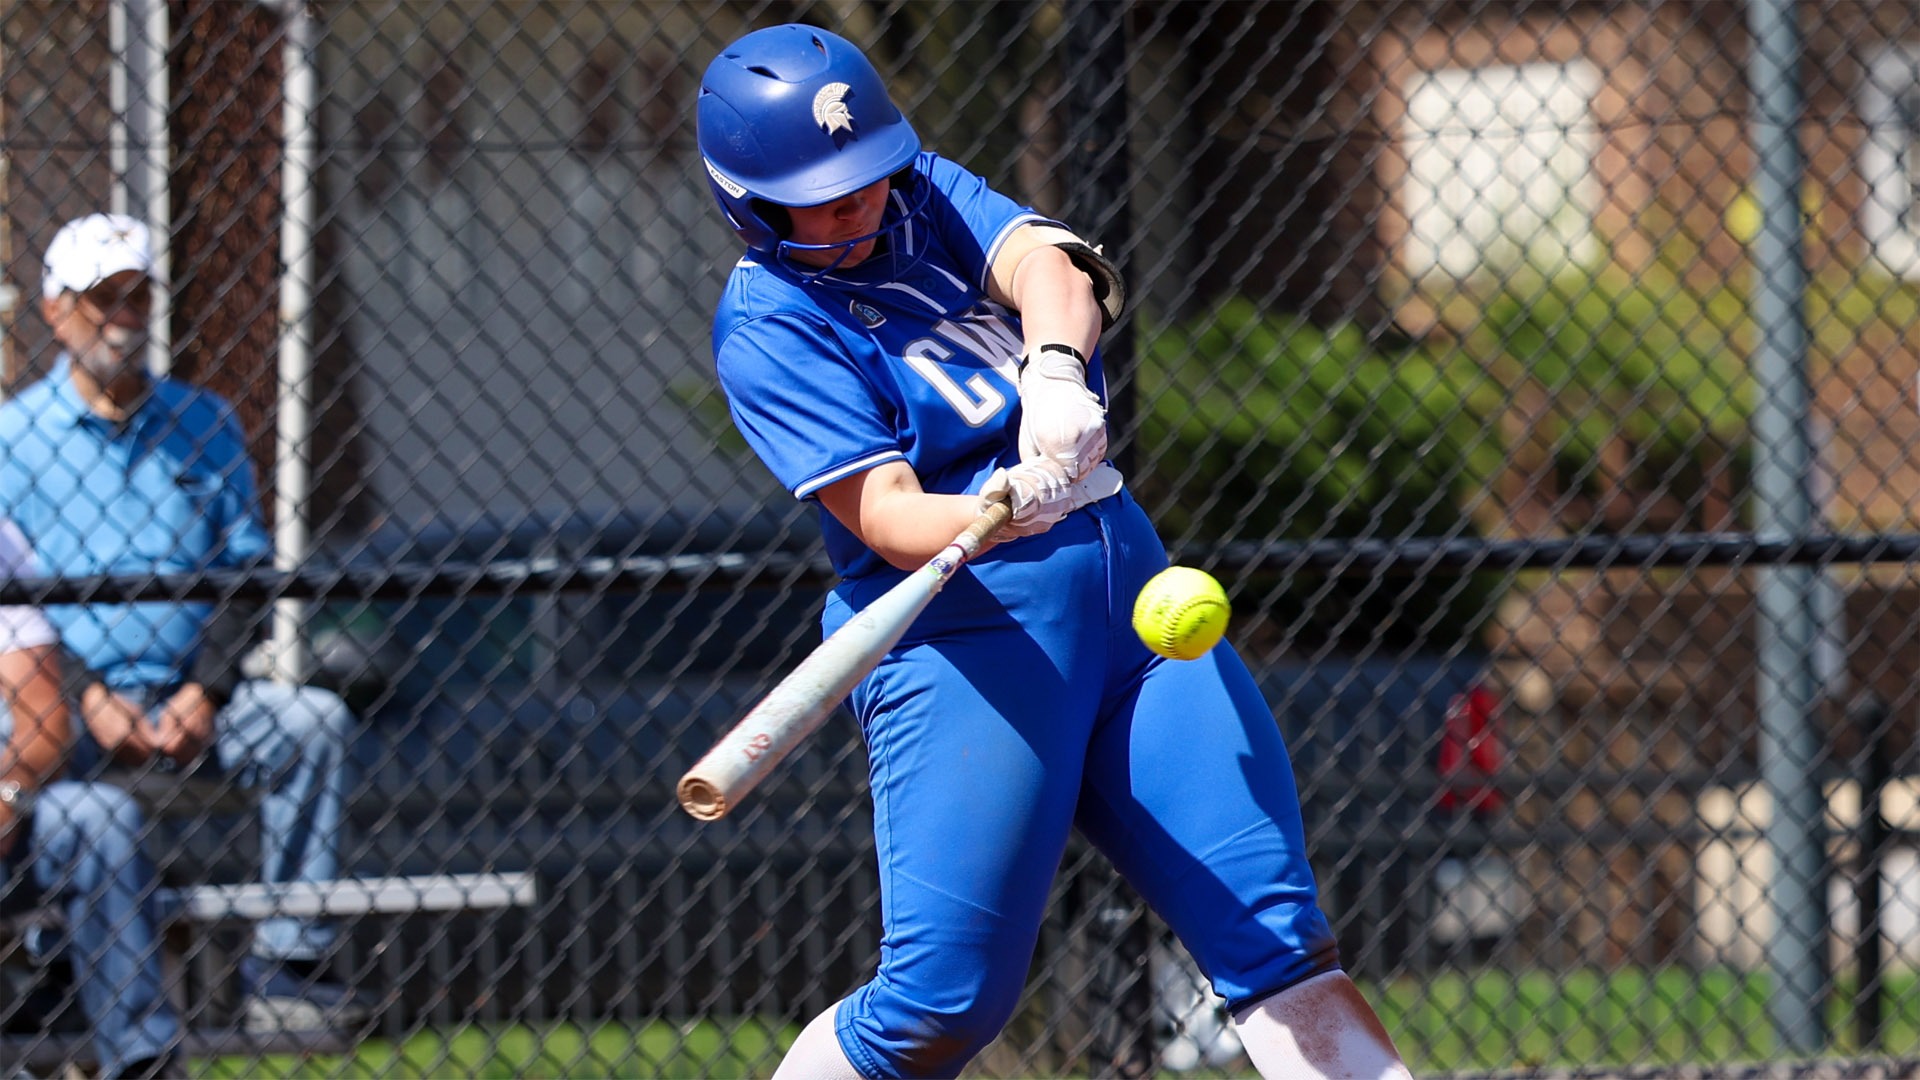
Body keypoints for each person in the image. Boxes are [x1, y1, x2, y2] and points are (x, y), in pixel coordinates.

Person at [698, 24, 1413, 1080]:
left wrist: (1055, 370)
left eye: (869, 175)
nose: (862, 203)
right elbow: (886, 514)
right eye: (826, 196)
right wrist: (996, 504)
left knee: (1276, 935)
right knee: (941, 1004)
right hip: (969, 644)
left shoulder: (920, 196)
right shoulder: (770, 325)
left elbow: (1052, 268)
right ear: (754, 207)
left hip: (1132, 608)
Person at [0, 213, 363, 1034]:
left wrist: (206, 689)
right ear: (55, 311)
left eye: (138, 296)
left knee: (313, 725)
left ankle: (289, 964)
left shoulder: (204, 422)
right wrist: (87, 696)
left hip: (190, 698)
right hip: (67, 705)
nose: (124, 317)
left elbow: (245, 576)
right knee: (24, 749)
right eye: (102, 299)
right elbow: (15, 609)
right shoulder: (13, 441)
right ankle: (55, 965)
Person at [0, 516, 182, 1078]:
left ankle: (140, 1058)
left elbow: (45, 720)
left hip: (7, 808)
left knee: (98, 814)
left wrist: (6, 796)